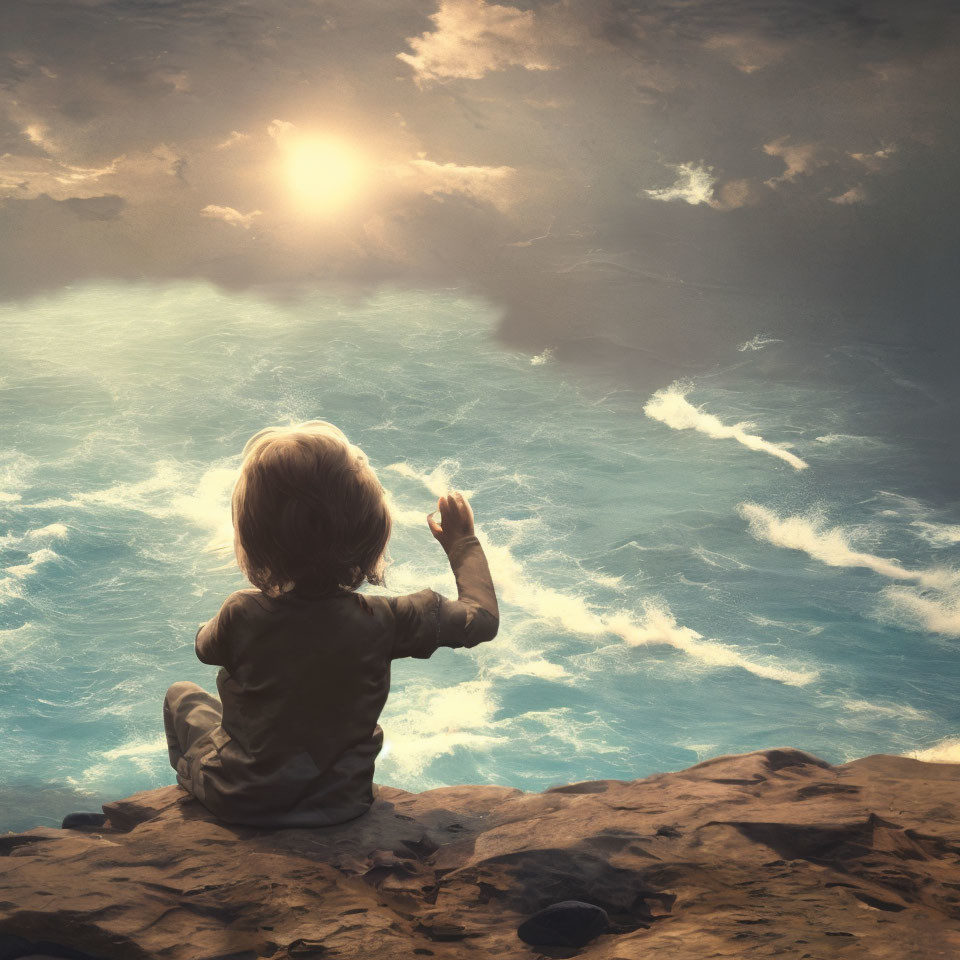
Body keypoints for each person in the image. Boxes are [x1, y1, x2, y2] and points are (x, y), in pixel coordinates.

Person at [162, 421, 499, 827]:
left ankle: (194, 795)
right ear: (370, 533)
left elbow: (204, 646)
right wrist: (462, 544)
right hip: (344, 802)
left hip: (244, 798)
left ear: (254, 538)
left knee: (183, 697)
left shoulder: (242, 613)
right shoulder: (388, 620)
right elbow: (481, 620)